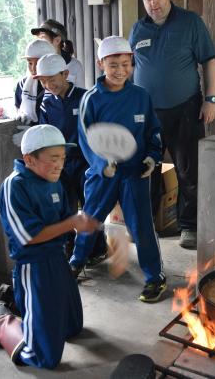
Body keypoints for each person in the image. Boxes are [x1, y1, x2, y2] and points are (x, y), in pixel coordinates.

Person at [0, 124, 99, 368]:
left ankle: (26, 312)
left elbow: (67, 220)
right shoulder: (15, 186)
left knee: (72, 328)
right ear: (29, 159)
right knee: (43, 357)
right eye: (53, 158)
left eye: (63, 158)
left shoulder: (54, 180)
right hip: (33, 266)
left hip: (57, 258)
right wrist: (71, 223)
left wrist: (85, 225)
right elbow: (29, 236)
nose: (60, 164)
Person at [70, 36, 166, 303]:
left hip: (135, 174)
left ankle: (154, 277)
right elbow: (85, 139)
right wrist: (102, 166)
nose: (121, 70)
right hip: (103, 175)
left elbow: (153, 133)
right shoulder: (91, 99)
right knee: (89, 219)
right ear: (101, 64)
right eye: (113, 65)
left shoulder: (141, 96)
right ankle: (76, 262)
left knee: (142, 226)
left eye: (126, 64)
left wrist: (151, 158)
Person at [129, 0, 215, 250]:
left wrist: (211, 99)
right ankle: (146, 224)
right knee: (147, 169)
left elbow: (209, 61)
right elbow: (129, 67)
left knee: (188, 170)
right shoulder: (138, 29)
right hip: (147, 112)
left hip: (186, 108)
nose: (153, 3)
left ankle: (188, 226)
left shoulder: (191, 22)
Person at [34, 53, 107, 260]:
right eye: (44, 81)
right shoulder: (46, 103)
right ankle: (71, 248)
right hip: (60, 165)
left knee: (90, 206)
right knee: (64, 207)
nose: (49, 84)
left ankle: (97, 248)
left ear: (65, 74)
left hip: (86, 162)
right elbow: (44, 131)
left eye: (52, 79)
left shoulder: (85, 97)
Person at [31, 19, 85, 88]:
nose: (39, 43)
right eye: (38, 39)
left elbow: (81, 96)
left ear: (57, 40)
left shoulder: (75, 66)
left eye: (42, 38)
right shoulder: (35, 65)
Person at [15, 39, 56, 124]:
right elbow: (18, 108)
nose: (33, 68)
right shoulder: (22, 85)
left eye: (37, 63)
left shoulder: (59, 85)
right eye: (30, 63)